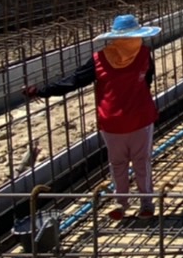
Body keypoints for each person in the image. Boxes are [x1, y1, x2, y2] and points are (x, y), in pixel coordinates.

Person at [24, 13, 161, 221]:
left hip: (112, 121)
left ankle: (121, 203)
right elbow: (148, 80)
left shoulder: (100, 59)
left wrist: (42, 91)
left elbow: (73, 81)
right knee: (141, 161)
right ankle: (146, 204)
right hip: (140, 118)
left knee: (118, 163)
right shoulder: (144, 54)